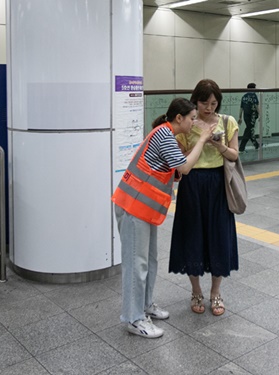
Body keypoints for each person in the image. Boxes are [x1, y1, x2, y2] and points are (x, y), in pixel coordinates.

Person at [112, 97, 215, 339]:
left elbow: (172, 168)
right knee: (136, 265)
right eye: (191, 119)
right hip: (132, 208)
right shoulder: (164, 135)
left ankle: (145, 305)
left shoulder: (167, 135)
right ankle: (134, 318)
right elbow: (185, 167)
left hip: (144, 209)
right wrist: (201, 139)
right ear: (179, 118)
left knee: (149, 260)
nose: (193, 123)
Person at [169, 79, 240, 316]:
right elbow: (181, 161)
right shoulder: (188, 123)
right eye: (203, 103)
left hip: (219, 184)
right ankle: (196, 291)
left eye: (213, 103)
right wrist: (200, 142)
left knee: (219, 236)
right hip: (192, 184)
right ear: (195, 101)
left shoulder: (228, 122)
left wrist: (218, 145)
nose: (209, 108)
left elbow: (234, 155)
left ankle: (215, 293)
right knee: (192, 236)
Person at [238, 82, 260, 152]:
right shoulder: (254, 95)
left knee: (249, 130)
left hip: (245, 116)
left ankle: (256, 145)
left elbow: (241, 108)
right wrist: (260, 114)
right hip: (252, 116)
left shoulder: (244, 96)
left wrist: (240, 117)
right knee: (248, 131)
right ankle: (241, 148)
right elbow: (256, 106)